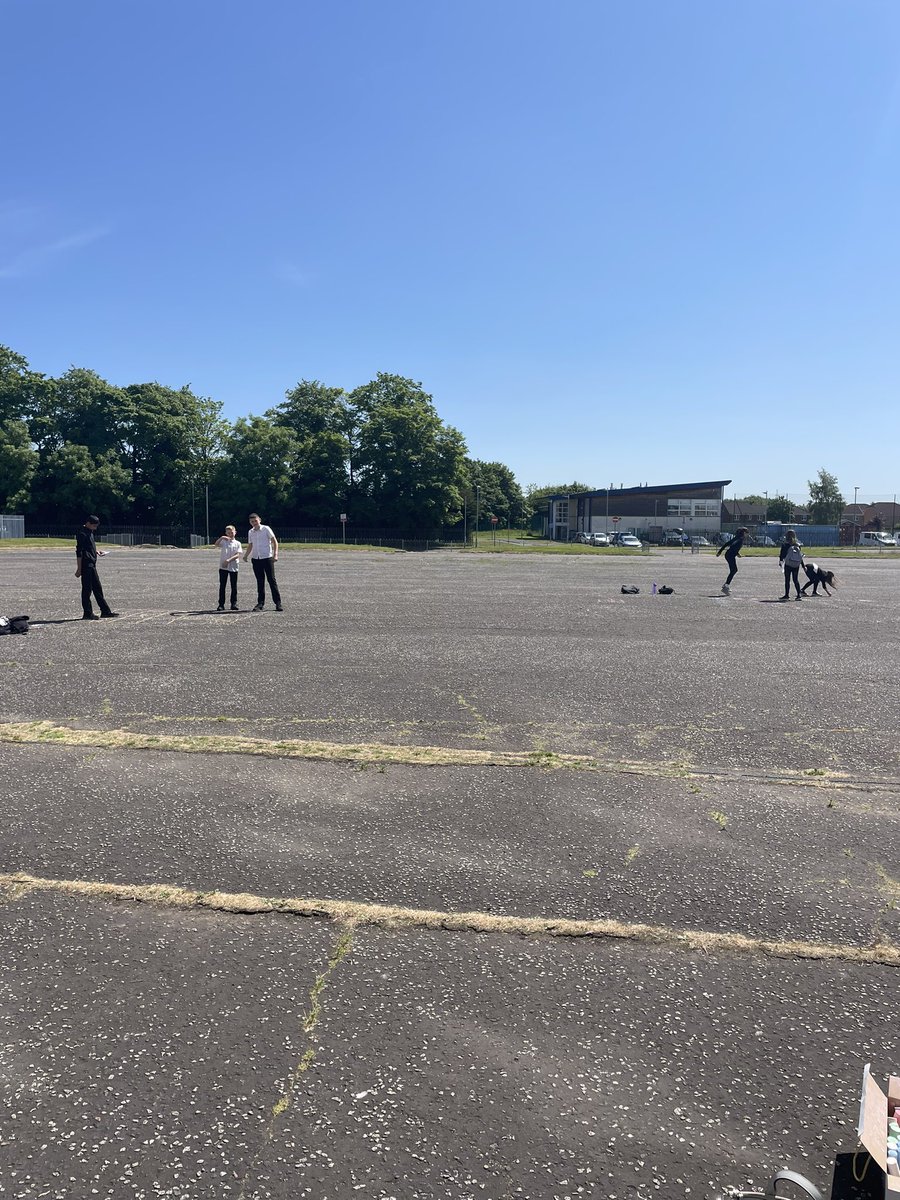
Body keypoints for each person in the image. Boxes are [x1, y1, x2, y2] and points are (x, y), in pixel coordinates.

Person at [75, 515, 120, 620]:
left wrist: (96, 551)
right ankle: (87, 613)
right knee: (87, 590)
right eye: (94, 526)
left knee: (97, 588)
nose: (95, 528)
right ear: (88, 523)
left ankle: (105, 611)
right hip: (86, 565)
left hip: (92, 564)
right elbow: (79, 552)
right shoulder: (82, 533)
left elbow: (89, 547)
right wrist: (79, 568)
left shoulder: (89, 532)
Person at [243, 513, 283, 611]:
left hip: (267, 558)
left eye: (255, 521)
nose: (254, 523)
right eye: (252, 521)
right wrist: (246, 555)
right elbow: (250, 545)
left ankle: (278, 603)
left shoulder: (266, 529)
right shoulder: (250, 532)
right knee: (260, 581)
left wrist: (275, 554)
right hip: (256, 559)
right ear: (250, 522)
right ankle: (260, 603)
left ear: (259, 520)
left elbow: (274, 541)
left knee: (271, 580)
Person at [213, 525, 242, 611]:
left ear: (235, 532)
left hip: (233, 566)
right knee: (222, 586)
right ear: (226, 533)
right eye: (228, 533)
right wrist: (222, 537)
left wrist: (228, 560)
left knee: (234, 586)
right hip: (223, 567)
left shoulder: (238, 543)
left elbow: (238, 554)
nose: (230, 534)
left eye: (232, 532)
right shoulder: (224, 542)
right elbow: (216, 544)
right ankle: (221, 604)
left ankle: (234, 603)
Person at [715, 527, 747, 595]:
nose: (747, 535)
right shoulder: (739, 538)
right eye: (746, 533)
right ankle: (726, 586)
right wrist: (719, 552)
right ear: (743, 533)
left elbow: (733, 547)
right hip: (730, 555)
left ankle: (726, 585)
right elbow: (727, 544)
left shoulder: (739, 538)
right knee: (734, 570)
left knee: (734, 570)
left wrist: (737, 553)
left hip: (731, 555)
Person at [779, 530, 805, 601]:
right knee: (795, 579)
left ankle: (787, 595)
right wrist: (803, 565)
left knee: (787, 580)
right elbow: (800, 556)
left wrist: (780, 562)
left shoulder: (785, 545)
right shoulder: (797, 545)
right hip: (796, 565)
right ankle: (798, 595)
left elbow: (782, 555)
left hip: (788, 564)